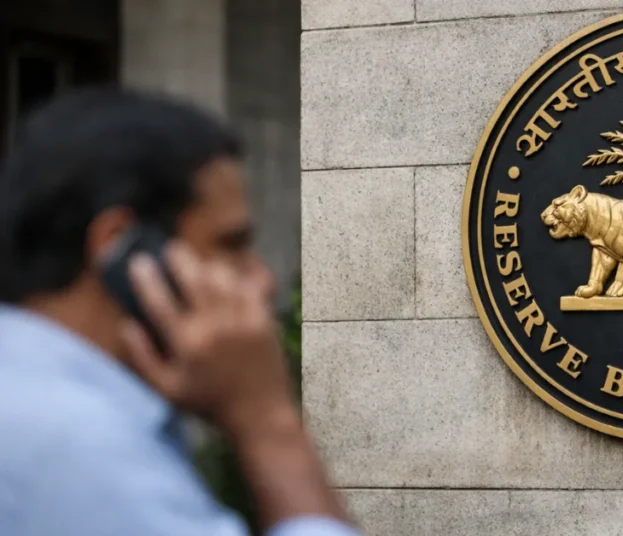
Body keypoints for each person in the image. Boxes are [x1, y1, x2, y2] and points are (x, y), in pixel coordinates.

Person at [0, 88, 362, 536]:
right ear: (119, 246)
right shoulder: (73, 443)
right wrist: (268, 422)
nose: (263, 279)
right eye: (230, 245)